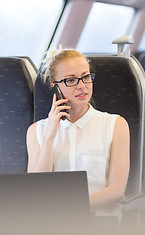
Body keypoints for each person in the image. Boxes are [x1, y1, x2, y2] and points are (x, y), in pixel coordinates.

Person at [26, 48, 130, 213]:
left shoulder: (115, 125)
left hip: (100, 224)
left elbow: (116, 190)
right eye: (71, 80)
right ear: (55, 87)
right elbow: (34, 191)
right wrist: (50, 136)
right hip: (52, 225)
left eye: (86, 77)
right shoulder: (36, 131)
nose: (82, 86)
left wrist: (72, 208)